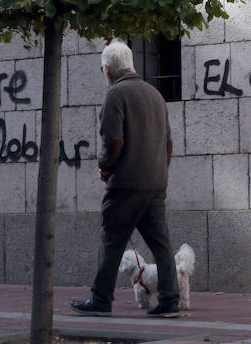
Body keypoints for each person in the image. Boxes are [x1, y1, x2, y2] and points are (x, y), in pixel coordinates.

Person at [69, 39, 180, 318]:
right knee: (161, 244)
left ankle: (100, 300)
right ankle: (170, 301)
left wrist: (105, 167)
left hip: (125, 185)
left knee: (112, 241)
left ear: (107, 70)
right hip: (155, 184)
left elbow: (113, 142)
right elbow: (168, 143)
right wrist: (159, 170)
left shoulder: (115, 95)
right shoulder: (155, 94)